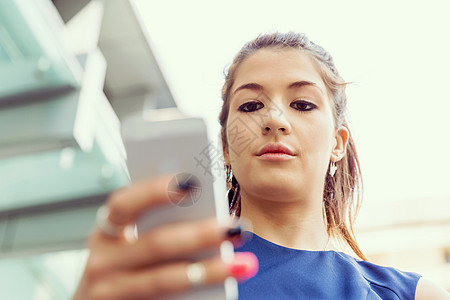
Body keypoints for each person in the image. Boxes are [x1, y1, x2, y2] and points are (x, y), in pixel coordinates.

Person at [73, 32, 450, 299]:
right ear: (224, 146)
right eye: (251, 106)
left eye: (302, 104)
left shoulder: (413, 295)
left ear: (337, 144)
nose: (274, 119)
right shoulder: (162, 283)